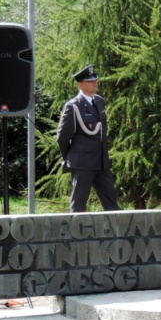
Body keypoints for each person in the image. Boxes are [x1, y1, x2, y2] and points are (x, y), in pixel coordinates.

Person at [57, 64, 121, 213]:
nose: (95, 82)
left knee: (112, 205)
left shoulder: (98, 101)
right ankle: (75, 235)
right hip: (82, 162)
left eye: (95, 79)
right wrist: (71, 157)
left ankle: (115, 235)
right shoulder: (73, 106)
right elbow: (62, 137)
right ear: (80, 84)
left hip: (101, 162)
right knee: (78, 205)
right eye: (90, 80)